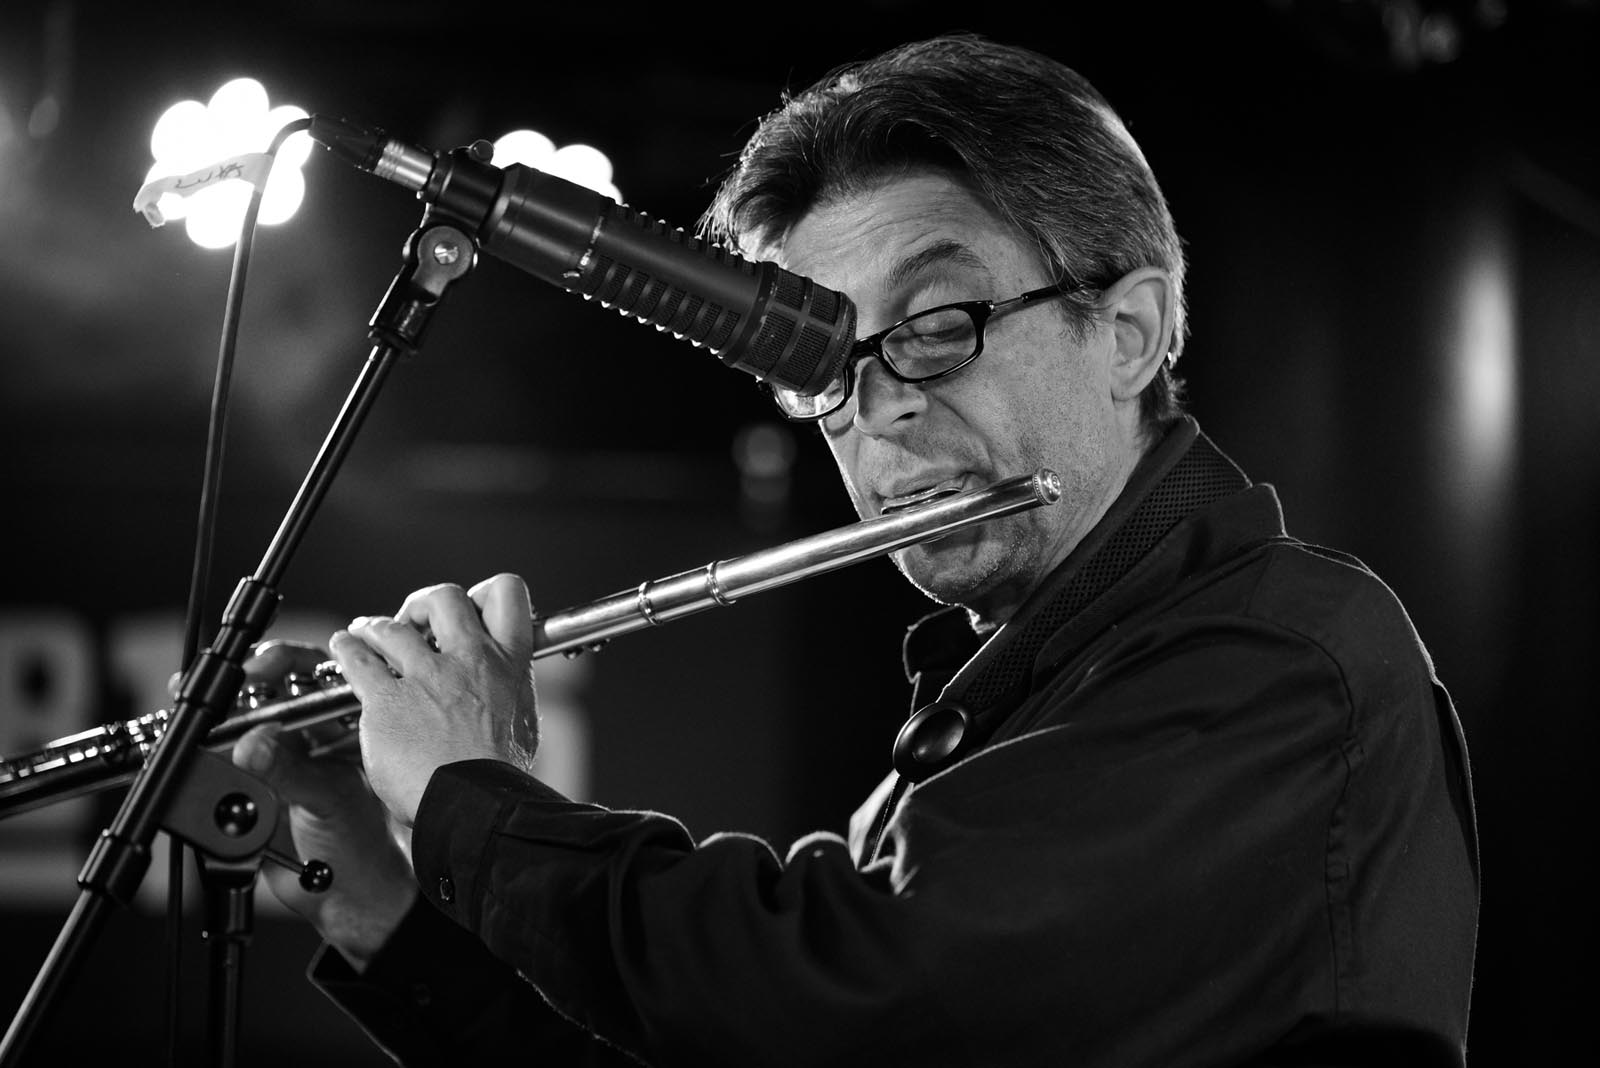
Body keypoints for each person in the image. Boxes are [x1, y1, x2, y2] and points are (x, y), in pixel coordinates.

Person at [233, 33, 1480, 1066]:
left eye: (937, 323)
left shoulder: (1281, 655)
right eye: (819, 362)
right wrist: (378, 893)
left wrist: (476, 804)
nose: (877, 406)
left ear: (1129, 332)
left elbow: (865, 1002)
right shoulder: (1006, 717)